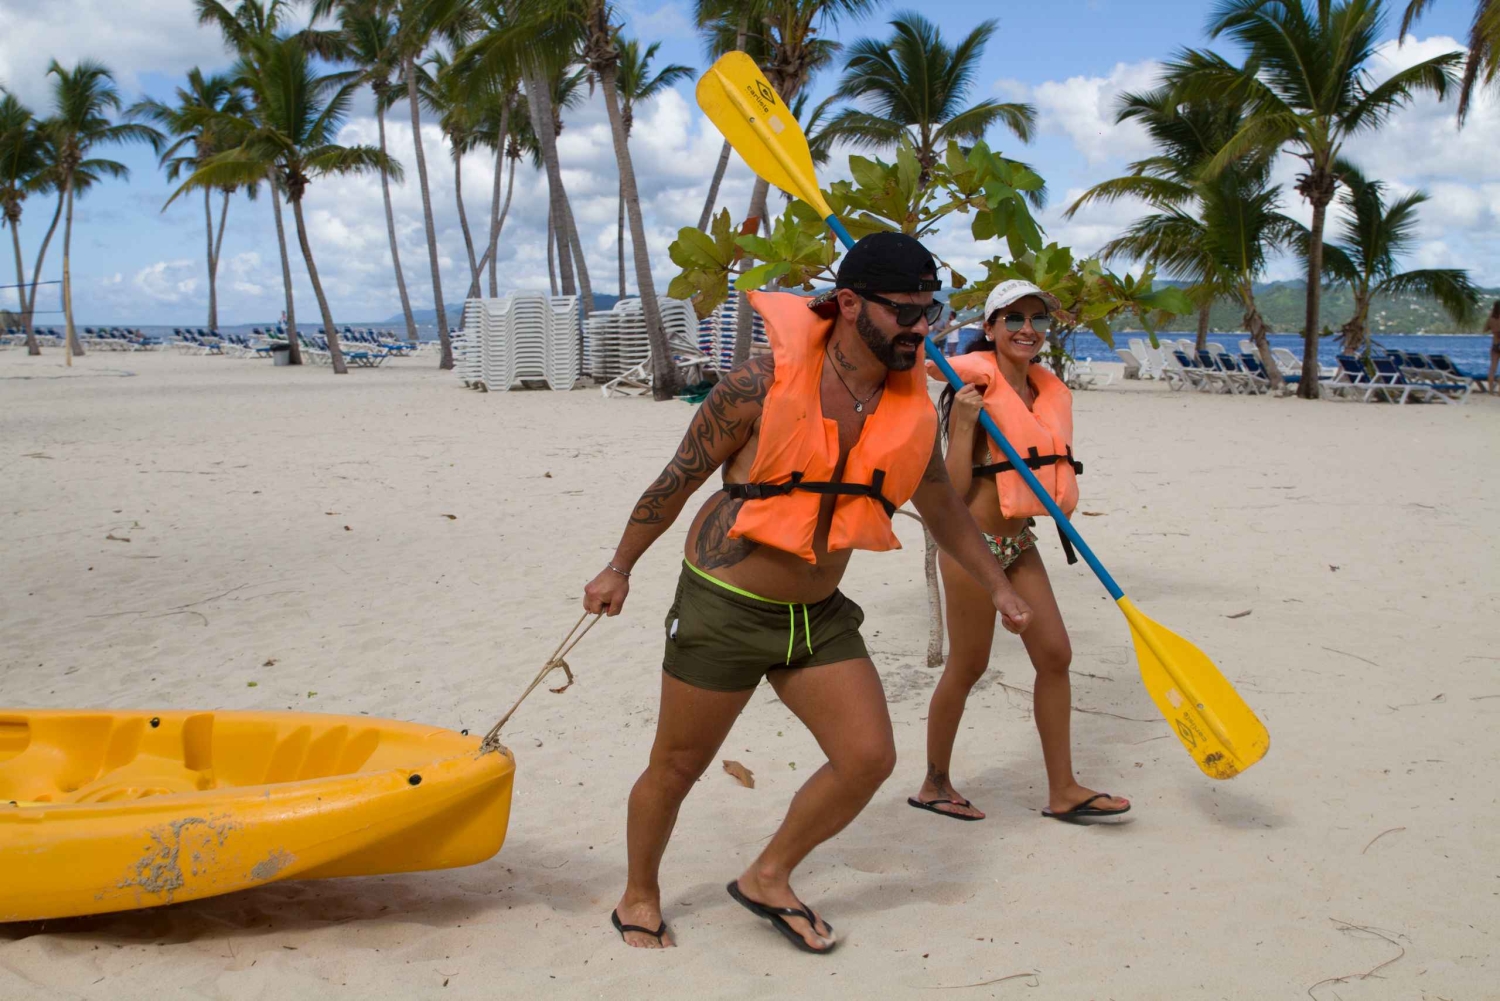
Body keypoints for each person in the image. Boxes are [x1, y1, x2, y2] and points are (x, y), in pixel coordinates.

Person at [583, 233, 1033, 954]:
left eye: (930, 310)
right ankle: (639, 892)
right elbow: (677, 478)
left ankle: (768, 875)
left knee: (868, 757)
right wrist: (619, 567)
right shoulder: (757, 385)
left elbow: (944, 508)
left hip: (818, 617)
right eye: (903, 311)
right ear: (849, 303)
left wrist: (1000, 587)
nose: (919, 327)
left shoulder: (908, 405)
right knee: (676, 765)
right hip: (725, 609)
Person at [908, 280, 1130, 824]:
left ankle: (1063, 789)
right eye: (1013, 318)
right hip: (970, 546)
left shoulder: (1041, 392)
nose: (1027, 329)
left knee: (1055, 655)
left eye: (1037, 319)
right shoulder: (971, 393)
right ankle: (934, 783)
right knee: (969, 664)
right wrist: (963, 424)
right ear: (990, 328)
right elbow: (952, 493)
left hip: (1018, 541)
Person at [1486, 300, 1500, 393]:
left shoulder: (1491, 319)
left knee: (1492, 369)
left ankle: (1491, 390)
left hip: (1495, 345)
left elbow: (1485, 329)